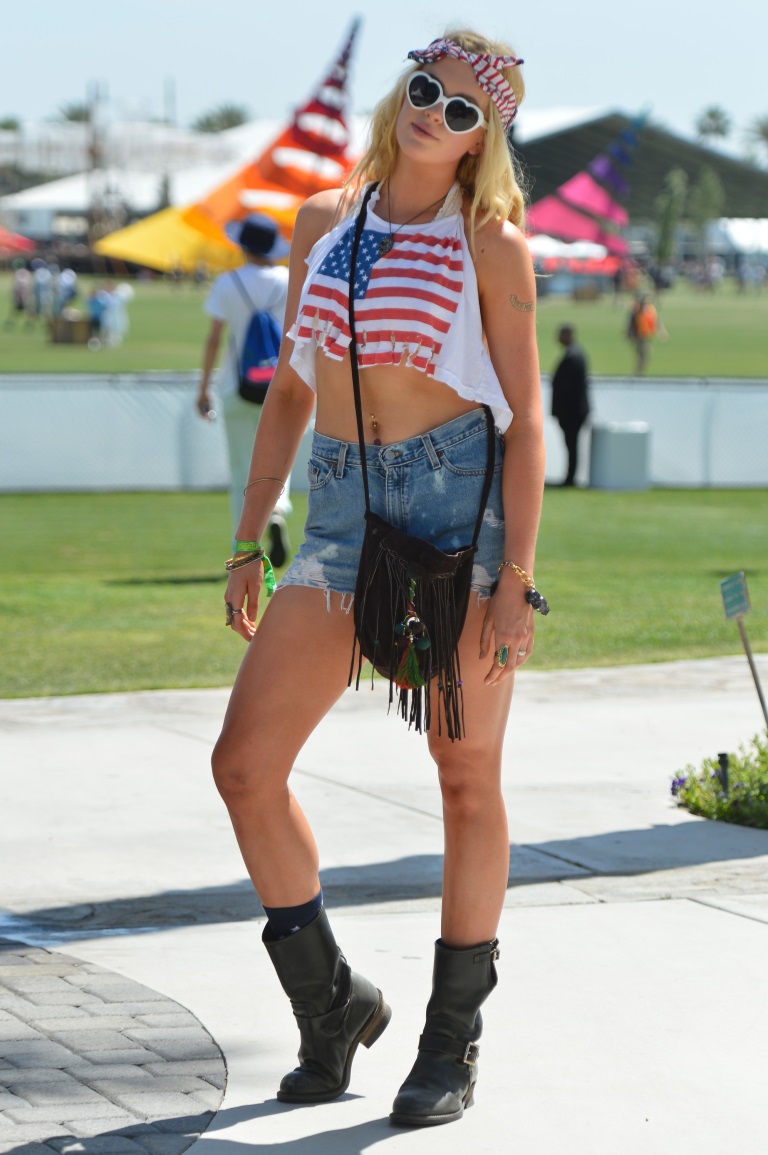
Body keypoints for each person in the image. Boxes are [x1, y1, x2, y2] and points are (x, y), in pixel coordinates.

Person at [211, 29, 544, 1128]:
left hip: (458, 517)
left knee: (465, 776)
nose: (435, 114)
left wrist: (517, 574)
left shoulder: (491, 245)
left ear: (482, 141)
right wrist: (250, 535)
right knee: (244, 765)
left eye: (463, 111)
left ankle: (452, 1041)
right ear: (403, 90)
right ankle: (333, 1005)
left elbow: (526, 419)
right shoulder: (324, 223)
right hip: (342, 512)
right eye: (426, 90)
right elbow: (292, 393)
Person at [197, 214, 293, 558]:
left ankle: (245, 548)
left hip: (237, 387)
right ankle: (277, 511)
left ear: (243, 246)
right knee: (279, 462)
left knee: (242, 468)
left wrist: (203, 389)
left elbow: (214, 338)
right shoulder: (289, 280)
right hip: (282, 389)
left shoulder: (228, 282)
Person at [551, 323, 590, 486]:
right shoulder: (574, 354)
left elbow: (567, 388)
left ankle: (570, 478)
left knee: (571, 445)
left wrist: (562, 411)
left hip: (572, 412)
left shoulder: (572, 357)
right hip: (573, 411)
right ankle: (570, 477)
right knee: (571, 445)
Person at [626, 292, 658, 374]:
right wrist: (629, 335)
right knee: (643, 353)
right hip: (640, 336)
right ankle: (638, 372)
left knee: (644, 354)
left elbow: (656, 321)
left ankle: (639, 371)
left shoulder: (649, 309)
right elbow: (631, 323)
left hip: (646, 335)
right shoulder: (637, 310)